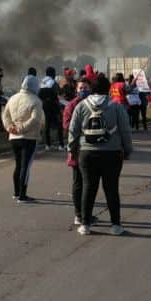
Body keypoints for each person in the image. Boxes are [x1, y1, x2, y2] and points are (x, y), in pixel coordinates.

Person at [68, 73, 133, 236]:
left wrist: (72, 150)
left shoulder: (81, 106)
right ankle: (116, 225)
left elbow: (73, 131)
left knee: (88, 188)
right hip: (112, 152)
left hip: (87, 152)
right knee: (111, 189)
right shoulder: (116, 106)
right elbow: (125, 130)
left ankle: (85, 224)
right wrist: (127, 150)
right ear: (108, 89)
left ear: (92, 89)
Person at [1, 75, 45, 203]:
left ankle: (16, 192)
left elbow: (5, 115)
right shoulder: (36, 100)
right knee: (25, 166)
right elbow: (35, 119)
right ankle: (22, 195)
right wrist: (22, 128)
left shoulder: (12, 98)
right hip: (29, 137)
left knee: (18, 164)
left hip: (13, 137)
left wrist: (10, 128)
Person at [63, 80, 94, 225]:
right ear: (76, 90)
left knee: (90, 183)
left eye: (86, 88)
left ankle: (86, 213)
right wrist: (83, 125)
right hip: (77, 148)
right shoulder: (71, 105)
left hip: (93, 148)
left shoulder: (95, 103)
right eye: (81, 88)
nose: (83, 90)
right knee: (78, 182)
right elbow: (67, 125)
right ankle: (78, 214)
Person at [38, 66, 63, 151]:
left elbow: (39, 94)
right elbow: (59, 93)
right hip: (53, 105)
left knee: (47, 125)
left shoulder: (41, 82)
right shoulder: (53, 83)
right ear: (53, 74)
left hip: (44, 105)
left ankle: (48, 145)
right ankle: (61, 145)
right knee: (59, 124)